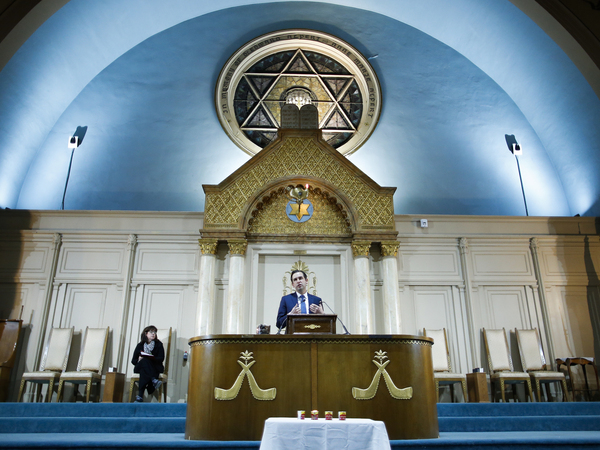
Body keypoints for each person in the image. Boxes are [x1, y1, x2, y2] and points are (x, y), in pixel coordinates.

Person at [131, 325, 165, 402]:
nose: (153, 334)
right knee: (144, 361)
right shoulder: (140, 345)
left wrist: (151, 358)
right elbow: (133, 361)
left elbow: (161, 358)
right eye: (151, 332)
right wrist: (139, 359)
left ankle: (140, 396)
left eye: (155, 332)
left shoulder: (159, 344)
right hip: (140, 366)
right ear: (146, 333)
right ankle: (153, 379)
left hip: (155, 366)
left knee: (145, 366)